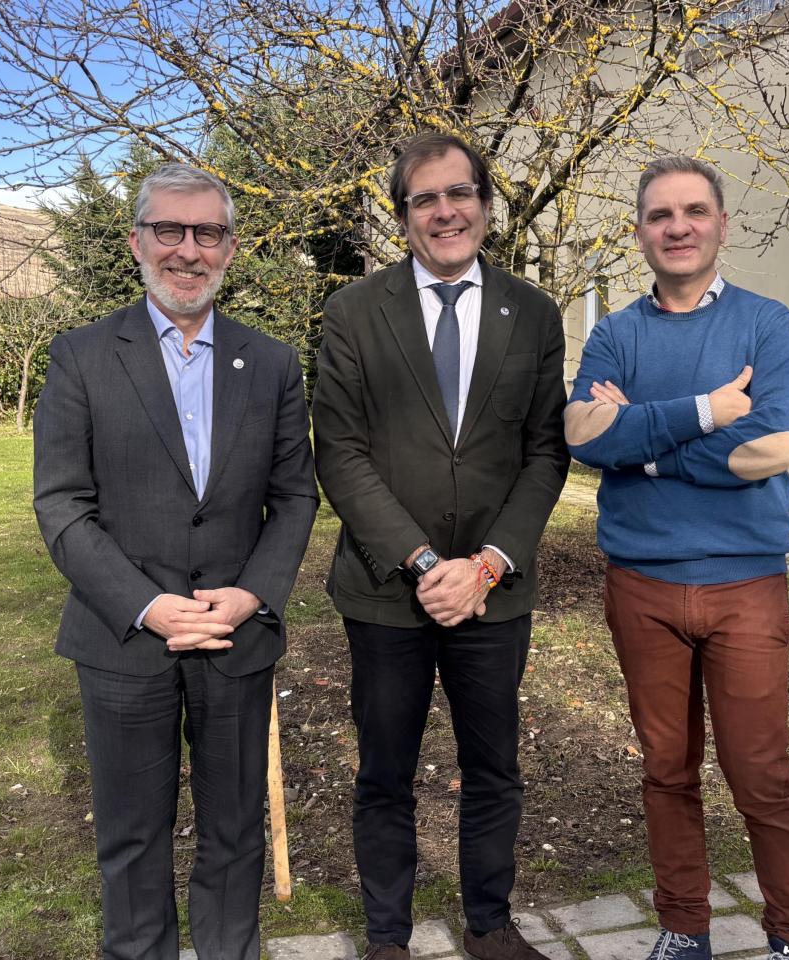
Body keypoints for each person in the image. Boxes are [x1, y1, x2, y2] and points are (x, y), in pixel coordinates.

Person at [32, 163, 318, 960]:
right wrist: (149, 606)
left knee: (236, 833)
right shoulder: (82, 357)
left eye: (207, 233)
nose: (188, 250)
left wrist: (254, 594)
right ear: (136, 241)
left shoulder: (272, 364)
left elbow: (296, 497)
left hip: (235, 637)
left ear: (231, 248)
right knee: (131, 840)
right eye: (169, 229)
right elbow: (62, 504)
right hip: (124, 640)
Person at [312, 132, 570, 960]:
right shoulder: (355, 312)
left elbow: (545, 452)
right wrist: (426, 564)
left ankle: (489, 925)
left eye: (460, 193)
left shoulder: (534, 314)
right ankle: (387, 936)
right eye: (424, 198)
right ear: (403, 217)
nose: (445, 211)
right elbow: (339, 452)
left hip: (495, 591)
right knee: (385, 771)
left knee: (493, 767)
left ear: (486, 206)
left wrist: (487, 565)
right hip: (388, 590)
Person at [564, 156, 789, 960]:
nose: (678, 227)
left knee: (761, 773)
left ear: (721, 225)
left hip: (745, 586)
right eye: (660, 215)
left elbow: (771, 448)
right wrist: (707, 411)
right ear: (641, 232)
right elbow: (581, 437)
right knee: (666, 770)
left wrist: (639, 442)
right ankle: (684, 929)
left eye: (694, 211)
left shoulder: (766, 324)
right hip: (642, 586)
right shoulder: (615, 332)